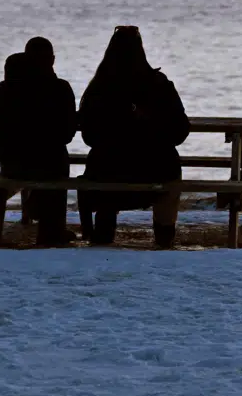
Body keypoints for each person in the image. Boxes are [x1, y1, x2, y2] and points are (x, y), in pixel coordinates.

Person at [78, 25, 189, 248]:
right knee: (170, 177)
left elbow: (88, 137)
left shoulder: (98, 88)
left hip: (107, 173)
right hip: (156, 170)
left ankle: (103, 233)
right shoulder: (160, 85)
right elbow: (180, 132)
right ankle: (164, 234)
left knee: (104, 176)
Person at [0, 39, 78, 246]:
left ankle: (40, 213)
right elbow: (68, 133)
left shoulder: (5, 89)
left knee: (48, 163)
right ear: (52, 60)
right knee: (57, 162)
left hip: (13, 164)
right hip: (50, 164)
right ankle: (51, 230)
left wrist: (11, 140)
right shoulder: (59, 88)